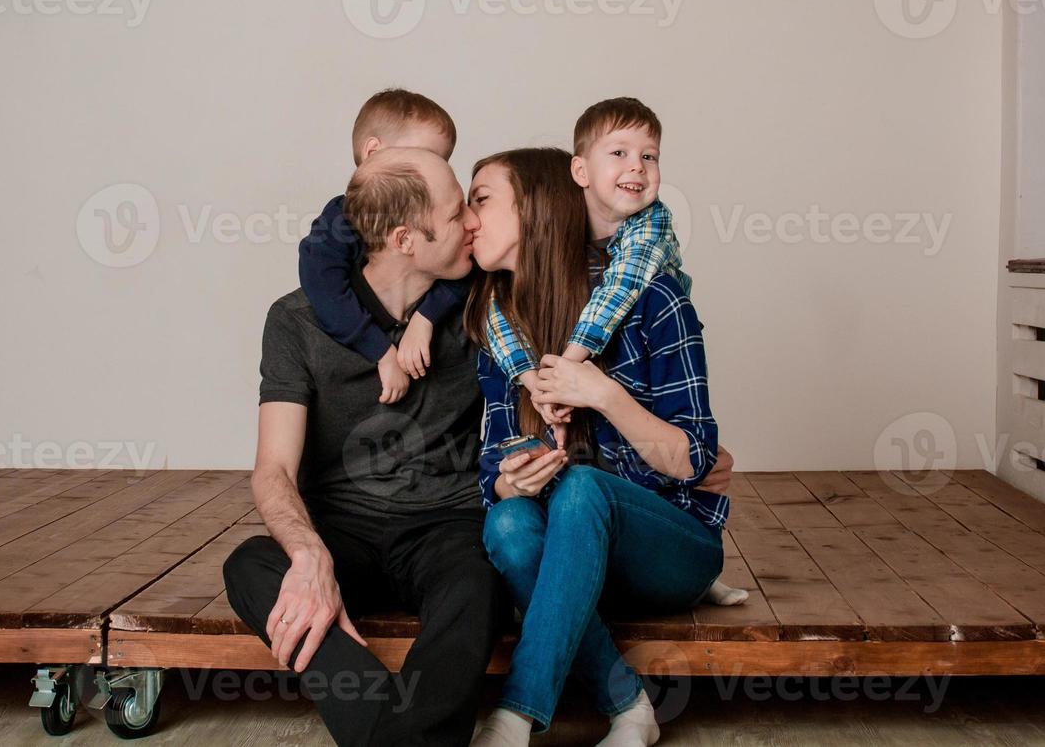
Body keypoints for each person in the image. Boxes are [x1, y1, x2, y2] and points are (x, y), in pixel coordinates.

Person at [224, 147, 507, 747]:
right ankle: (404, 733)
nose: (474, 224)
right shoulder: (296, 321)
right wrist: (308, 556)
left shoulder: (482, 306)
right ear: (406, 239)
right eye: (458, 214)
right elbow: (273, 469)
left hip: (443, 524)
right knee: (251, 563)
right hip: (342, 530)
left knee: (479, 583)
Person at [464, 147, 731, 747]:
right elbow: (491, 473)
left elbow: (695, 461)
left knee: (584, 488)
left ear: (534, 211)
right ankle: (631, 708)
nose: (467, 217)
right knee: (507, 521)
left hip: (673, 553)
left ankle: (516, 715)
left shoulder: (653, 299)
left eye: (480, 198)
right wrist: (512, 479)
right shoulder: (497, 324)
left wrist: (605, 395)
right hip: (571, 563)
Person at [298, 88, 468, 404]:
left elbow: (462, 271)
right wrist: (382, 352)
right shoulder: (338, 223)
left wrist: (425, 318)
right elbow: (325, 289)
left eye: (441, 161)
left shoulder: (444, 229)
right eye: (424, 157)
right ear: (373, 152)